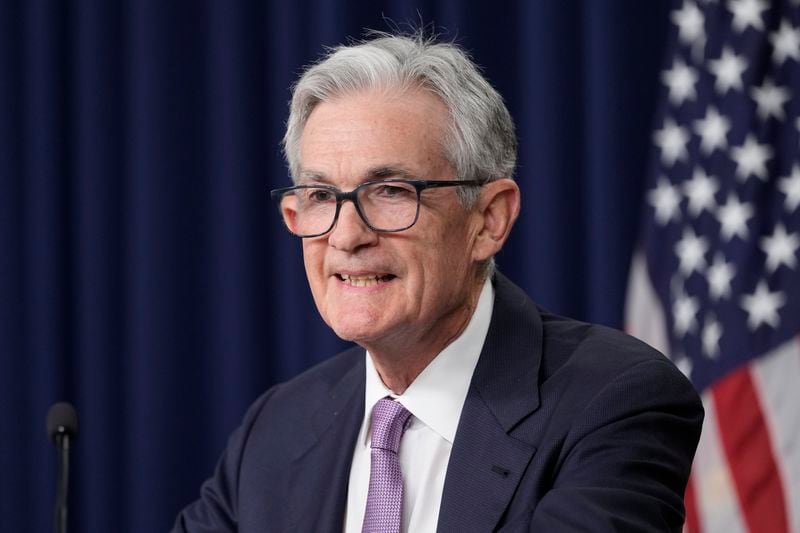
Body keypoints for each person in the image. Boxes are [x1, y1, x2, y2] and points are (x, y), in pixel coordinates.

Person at [172, 31, 703, 533]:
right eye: (320, 197)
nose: (347, 235)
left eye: (391, 191)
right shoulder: (275, 430)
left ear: (489, 220)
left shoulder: (612, 400)